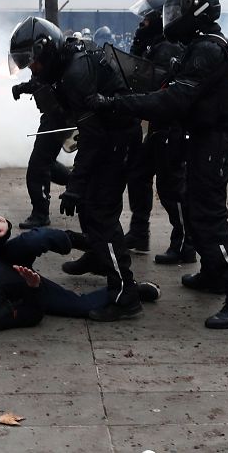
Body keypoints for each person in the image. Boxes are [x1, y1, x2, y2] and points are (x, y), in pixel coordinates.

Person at [87, 0, 228, 329]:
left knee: (209, 218)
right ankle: (212, 273)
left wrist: (116, 104)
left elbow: (173, 100)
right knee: (196, 211)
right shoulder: (200, 44)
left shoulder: (208, 49)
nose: (171, 18)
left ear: (197, 11)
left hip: (212, 141)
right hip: (202, 137)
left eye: (177, 11)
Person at [9, 16, 144, 322]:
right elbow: (49, 79)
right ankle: (99, 258)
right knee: (91, 209)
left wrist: (74, 187)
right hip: (108, 138)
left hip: (115, 141)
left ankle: (125, 295)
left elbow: (93, 139)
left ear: (47, 50)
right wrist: (27, 85)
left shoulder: (76, 73)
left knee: (101, 215)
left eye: (34, 63)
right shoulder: (64, 59)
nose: (34, 68)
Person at [0, 214, 160, 336]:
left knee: (37, 238)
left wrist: (3, 227)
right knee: (81, 308)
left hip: (4, 259)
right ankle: (130, 290)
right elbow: (33, 315)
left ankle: (91, 245)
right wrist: (35, 287)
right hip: (23, 283)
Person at [122, 0, 195, 264]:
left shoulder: (167, 48)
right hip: (157, 126)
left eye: (144, 19)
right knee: (138, 174)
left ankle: (185, 244)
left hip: (171, 127)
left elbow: (157, 87)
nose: (141, 24)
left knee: (171, 186)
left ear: (155, 19)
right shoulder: (155, 45)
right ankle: (139, 232)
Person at [10, 18, 74, 229]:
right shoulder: (52, 64)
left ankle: (40, 214)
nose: (31, 66)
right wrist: (23, 88)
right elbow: (41, 80)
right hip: (54, 117)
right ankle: (78, 181)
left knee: (37, 167)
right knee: (46, 164)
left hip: (61, 118)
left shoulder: (71, 68)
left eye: (32, 61)